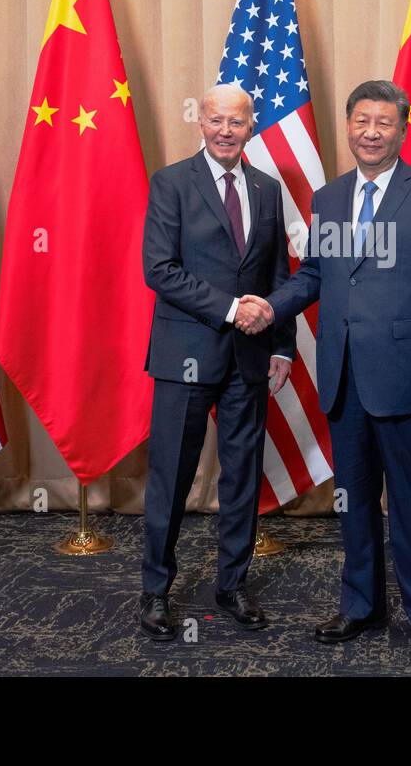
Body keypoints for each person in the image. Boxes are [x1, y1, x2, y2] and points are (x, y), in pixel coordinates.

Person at [237, 79, 411, 658]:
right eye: (361, 121)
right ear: (348, 126)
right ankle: (360, 605)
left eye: (383, 123)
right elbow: (315, 273)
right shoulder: (329, 198)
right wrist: (271, 306)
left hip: (409, 373)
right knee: (354, 498)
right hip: (344, 374)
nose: (371, 132)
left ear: (401, 129)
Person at [138, 83, 294, 641]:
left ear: (252, 126)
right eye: (215, 120)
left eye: (237, 121)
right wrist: (230, 309)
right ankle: (156, 591)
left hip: (250, 359)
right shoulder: (172, 183)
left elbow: (278, 274)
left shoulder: (268, 190)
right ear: (199, 123)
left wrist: (281, 342)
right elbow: (160, 270)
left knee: (243, 479)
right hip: (185, 356)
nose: (226, 130)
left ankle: (232, 584)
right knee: (172, 478)